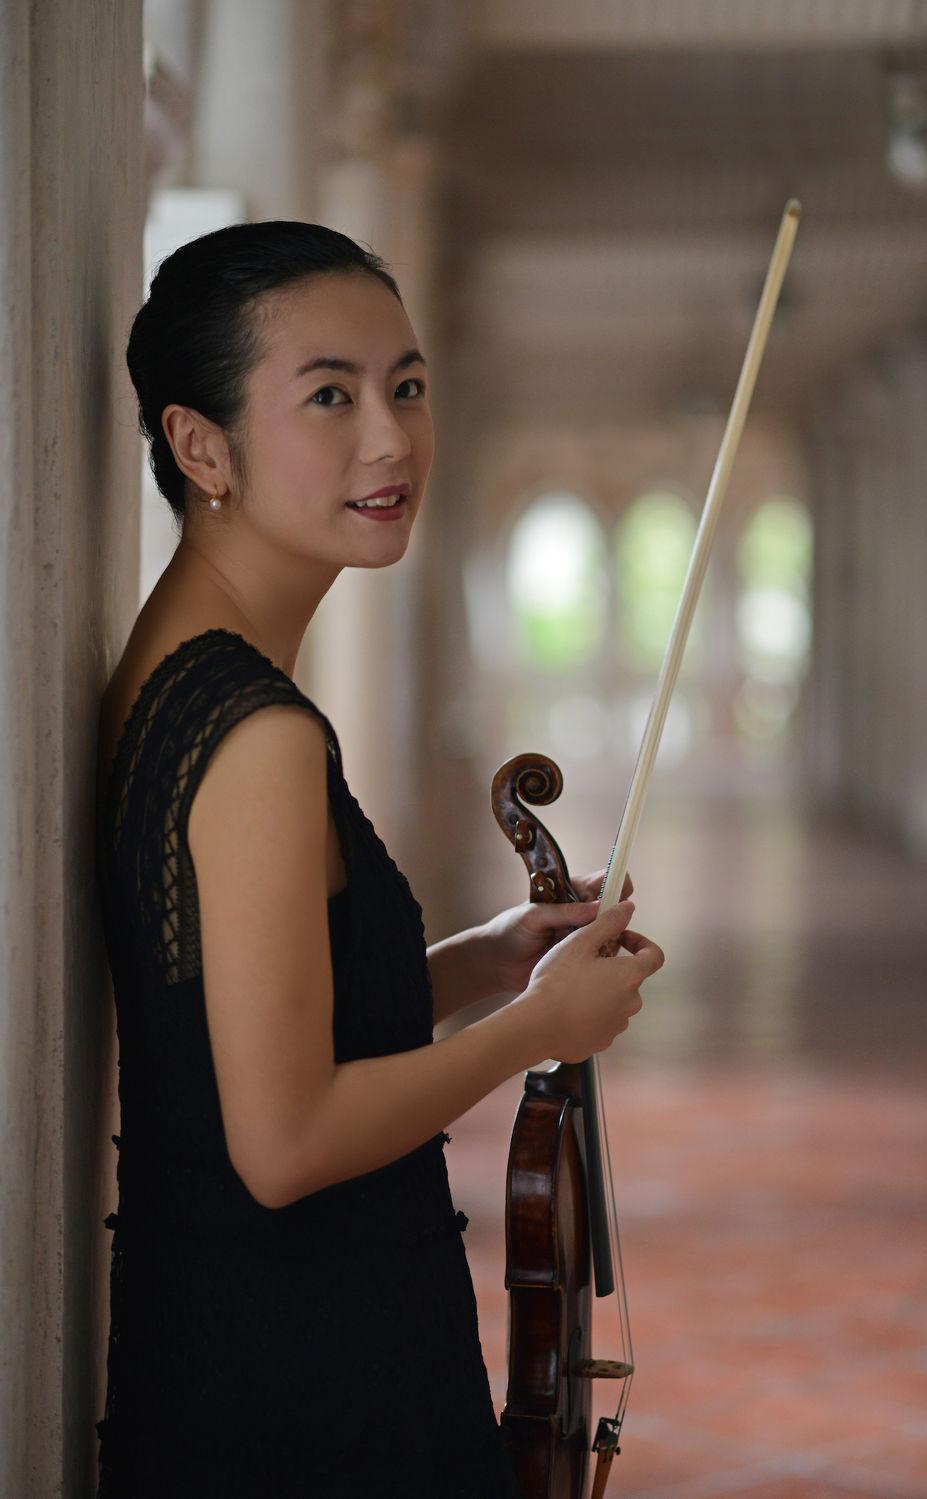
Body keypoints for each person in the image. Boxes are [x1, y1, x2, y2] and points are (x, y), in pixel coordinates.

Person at [93, 220, 664, 1498]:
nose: (390, 438)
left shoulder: (180, 669)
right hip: (305, 1383)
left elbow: (242, 1017)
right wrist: (536, 1027)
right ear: (200, 446)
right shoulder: (258, 736)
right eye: (329, 396)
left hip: (241, 1349)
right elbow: (285, 1140)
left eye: (404, 385)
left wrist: (488, 960)